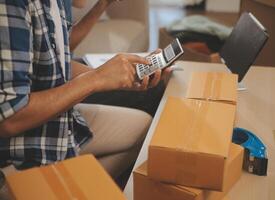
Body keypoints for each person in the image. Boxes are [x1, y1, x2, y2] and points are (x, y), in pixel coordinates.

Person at [0, 0, 167, 180]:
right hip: (19, 154)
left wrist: (119, 77)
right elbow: (10, 117)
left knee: (144, 127)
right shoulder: (13, 5)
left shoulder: (55, 4)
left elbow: (57, 59)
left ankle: (84, 187)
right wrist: (97, 78)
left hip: (58, 124)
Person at [68, 0, 171, 117]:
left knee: (149, 84)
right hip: (59, 89)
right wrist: (100, 76)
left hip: (68, 68)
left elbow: (64, 49)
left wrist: (103, 3)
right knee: (152, 91)